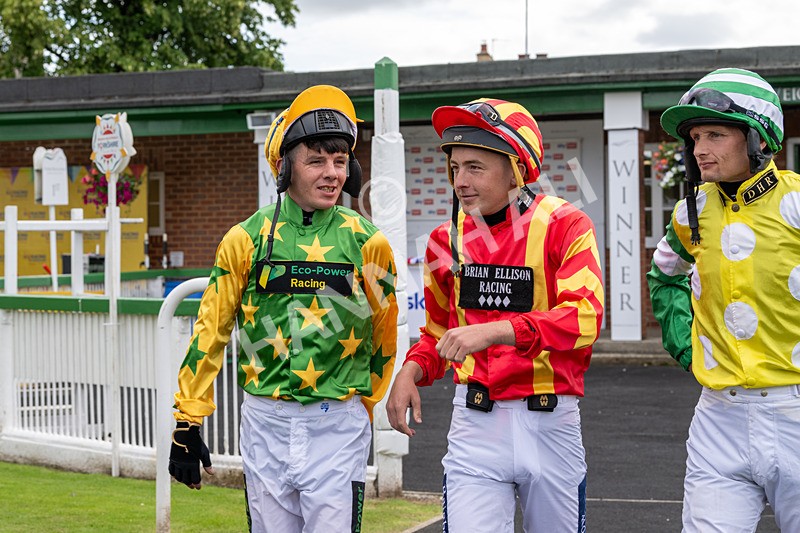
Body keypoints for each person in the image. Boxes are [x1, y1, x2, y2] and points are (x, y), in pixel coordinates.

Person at [168, 84, 398, 533]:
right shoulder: (244, 240)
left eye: (339, 161)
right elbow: (210, 331)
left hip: (338, 425)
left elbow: (384, 336)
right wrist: (187, 418)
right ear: (282, 167)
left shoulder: (371, 244)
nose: (332, 174)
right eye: (316, 160)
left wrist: (357, 406)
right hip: (263, 425)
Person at [386, 98, 604, 532]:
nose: (460, 181)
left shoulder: (566, 224)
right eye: (455, 168)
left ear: (516, 170)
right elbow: (438, 335)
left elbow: (584, 318)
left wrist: (495, 332)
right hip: (475, 425)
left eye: (474, 168)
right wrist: (411, 369)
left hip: (552, 425)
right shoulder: (441, 242)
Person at [648, 68, 800, 532]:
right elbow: (664, 276)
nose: (699, 149)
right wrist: (685, 344)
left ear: (758, 137)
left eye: (715, 134)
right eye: (695, 137)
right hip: (719, 417)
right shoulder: (688, 214)